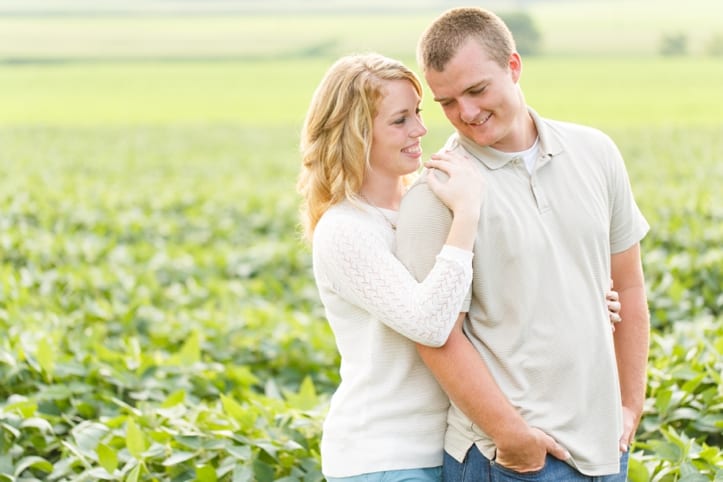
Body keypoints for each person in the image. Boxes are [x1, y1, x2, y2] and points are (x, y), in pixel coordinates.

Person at [394, 7, 650, 481]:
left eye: (476, 90)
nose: (465, 114)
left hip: (605, 449)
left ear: (513, 67)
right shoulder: (435, 198)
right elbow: (436, 337)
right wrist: (513, 438)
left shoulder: (596, 153)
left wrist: (629, 405)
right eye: (446, 101)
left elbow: (629, 289)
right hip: (510, 460)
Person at [297, 52, 486, 481]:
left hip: (450, 449)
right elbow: (431, 324)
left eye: (417, 113)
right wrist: (467, 216)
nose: (420, 129)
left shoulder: (426, 205)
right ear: (358, 134)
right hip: (383, 458)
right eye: (400, 120)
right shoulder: (345, 230)